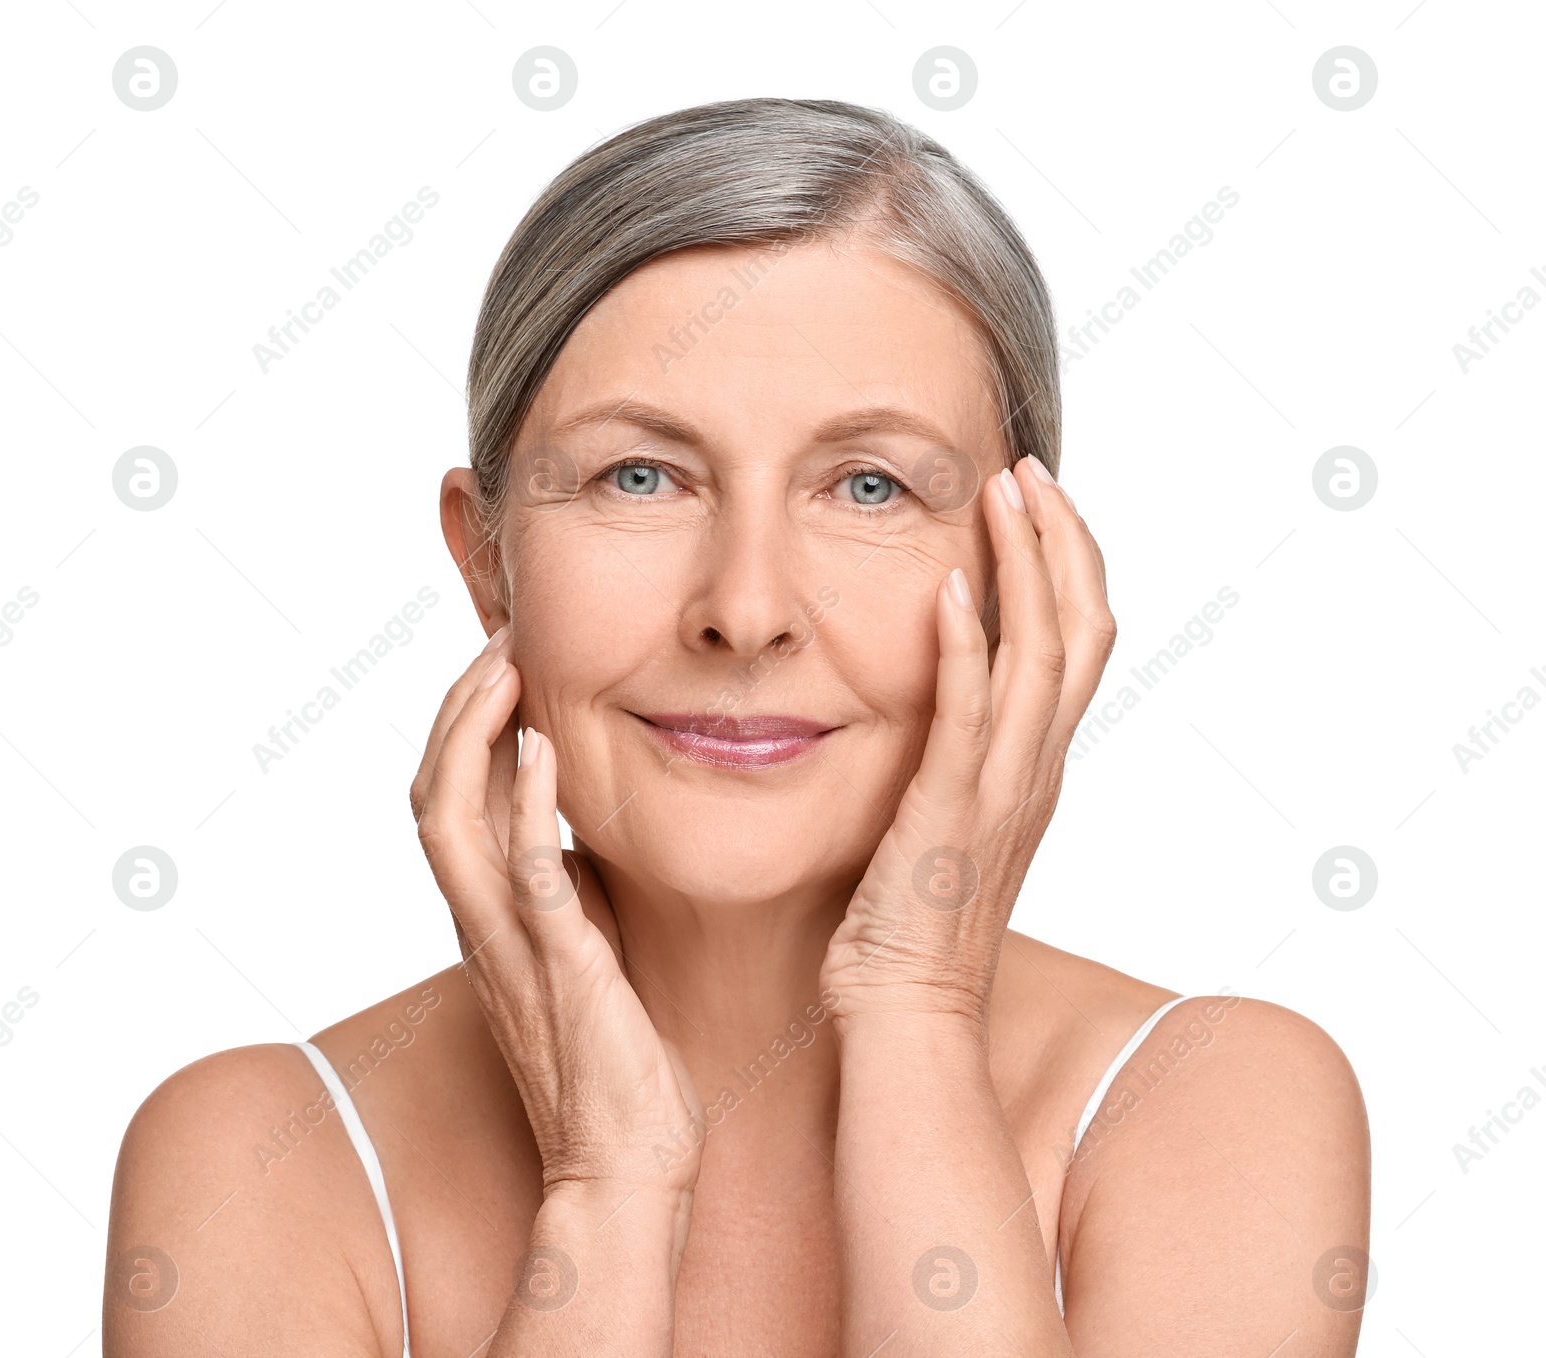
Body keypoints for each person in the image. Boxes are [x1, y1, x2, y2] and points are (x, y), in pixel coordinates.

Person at [104, 98, 1370, 1356]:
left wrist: (915, 1007)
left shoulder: (1213, 1102)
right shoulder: (254, 1156)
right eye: (639, 476)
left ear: (1021, 571)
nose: (748, 608)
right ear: (487, 560)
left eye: (869, 484)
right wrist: (606, 1195)